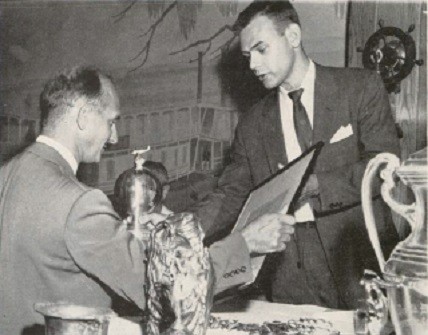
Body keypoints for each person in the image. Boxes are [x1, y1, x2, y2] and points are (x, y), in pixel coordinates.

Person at [0, 66, 295, 335]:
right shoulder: (80, 203)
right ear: (83, 118)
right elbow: (163, 292)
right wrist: (244, 244)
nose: (114, 137)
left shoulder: (7, 175)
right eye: (112, 121)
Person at [189, 0, 400, 310]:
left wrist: (316, 186)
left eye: (261, 49)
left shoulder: (360, 88)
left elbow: (385, 169)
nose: (253, 65)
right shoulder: (251, 124)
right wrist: (183, 228)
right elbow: (230, 194)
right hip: (290, 280)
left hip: (360, 264)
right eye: (248, 56)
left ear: (293, 36)